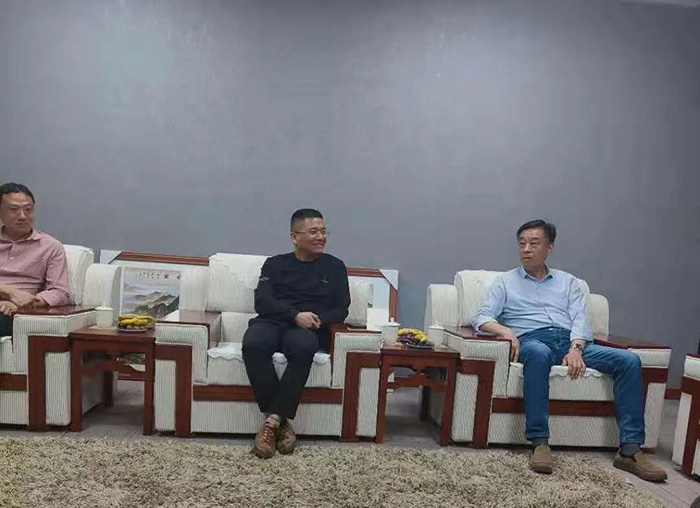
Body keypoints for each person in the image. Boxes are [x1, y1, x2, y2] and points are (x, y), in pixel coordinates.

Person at [472, 219, 667, 482]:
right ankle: (540, 443)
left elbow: (580, 321)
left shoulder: (568, 282)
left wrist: (576, 348)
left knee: (629, 360)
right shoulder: (504, 283)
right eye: (522, 244)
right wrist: (506, 331)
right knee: (539, 354)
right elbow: (481, 317)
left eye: (533, 243)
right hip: (533, 339)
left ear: (549, 248)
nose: (526, 249)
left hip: (571, 341)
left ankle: (630, 450)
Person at [242, 208, 350, 459]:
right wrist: (294, 315)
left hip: (308, 327)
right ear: (295, 237)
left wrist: (317, 320)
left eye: (323, 231)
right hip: (272, 321)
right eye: (313, 232)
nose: (320, 237)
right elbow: (262, 302)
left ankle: (271, 423)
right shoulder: (275, 264)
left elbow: (342, 308)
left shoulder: (335, 267)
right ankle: (282, 423)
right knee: (253, 344)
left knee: (303, 347)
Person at [0, 183, 69, 337]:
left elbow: (60, 292)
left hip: (16, 313)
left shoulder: (50, 247)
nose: (22, 216)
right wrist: (9, 292)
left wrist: (24, 303)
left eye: (28, 209)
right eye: (14, 210)